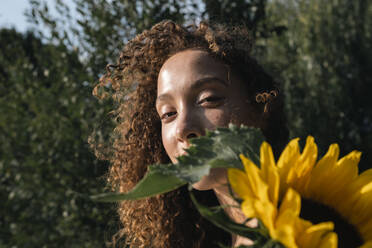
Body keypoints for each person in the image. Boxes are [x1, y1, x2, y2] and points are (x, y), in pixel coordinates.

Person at [92, 20, 288, 248]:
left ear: (260, 107)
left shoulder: (311, 222)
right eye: (168, 114)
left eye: (208, 99)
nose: (183, 128)